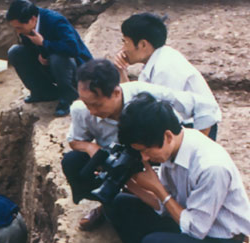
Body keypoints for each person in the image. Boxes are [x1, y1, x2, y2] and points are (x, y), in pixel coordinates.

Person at [106, 93, 250, 243]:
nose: (145, 158)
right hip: (192, 227)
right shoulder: (173, 147)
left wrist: (157, 188)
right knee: (121, 204)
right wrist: (135, 188)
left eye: (146, 151)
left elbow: (194, 228)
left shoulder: (211, 166)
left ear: (166, 135)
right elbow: (166, 209)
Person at [61, 58, 221, 231]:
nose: (91, 111)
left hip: (153, 152)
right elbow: (74, 141)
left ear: (116, 92)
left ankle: (163, 210)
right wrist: (91, 148)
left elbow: (206, 107)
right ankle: (104, 203)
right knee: (73, 162)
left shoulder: (147, 96)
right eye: (86, 104)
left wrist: (193, 149)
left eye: (97, 105)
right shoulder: (81, 109)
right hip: (118, 158)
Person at [113, 12, 220, 140]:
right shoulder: (155, 61)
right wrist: (121, 71)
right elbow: (134, 100)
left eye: (125, 42)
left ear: (142, 44)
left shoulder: (165, 67)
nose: (123, 48)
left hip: (197, 127)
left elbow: (159, 114)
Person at [6, 0, 92, 117]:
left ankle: (69, 95)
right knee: (15, 52)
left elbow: (73, 48)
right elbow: (30, 48)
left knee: (58, 57)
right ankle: (43, 92)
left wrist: (44, 44)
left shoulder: (55, 21)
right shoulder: (27, 28)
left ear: (32, 19)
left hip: (76, 70)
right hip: (49, 65)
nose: (18, 32)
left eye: (19, 27)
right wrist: (42, 54)